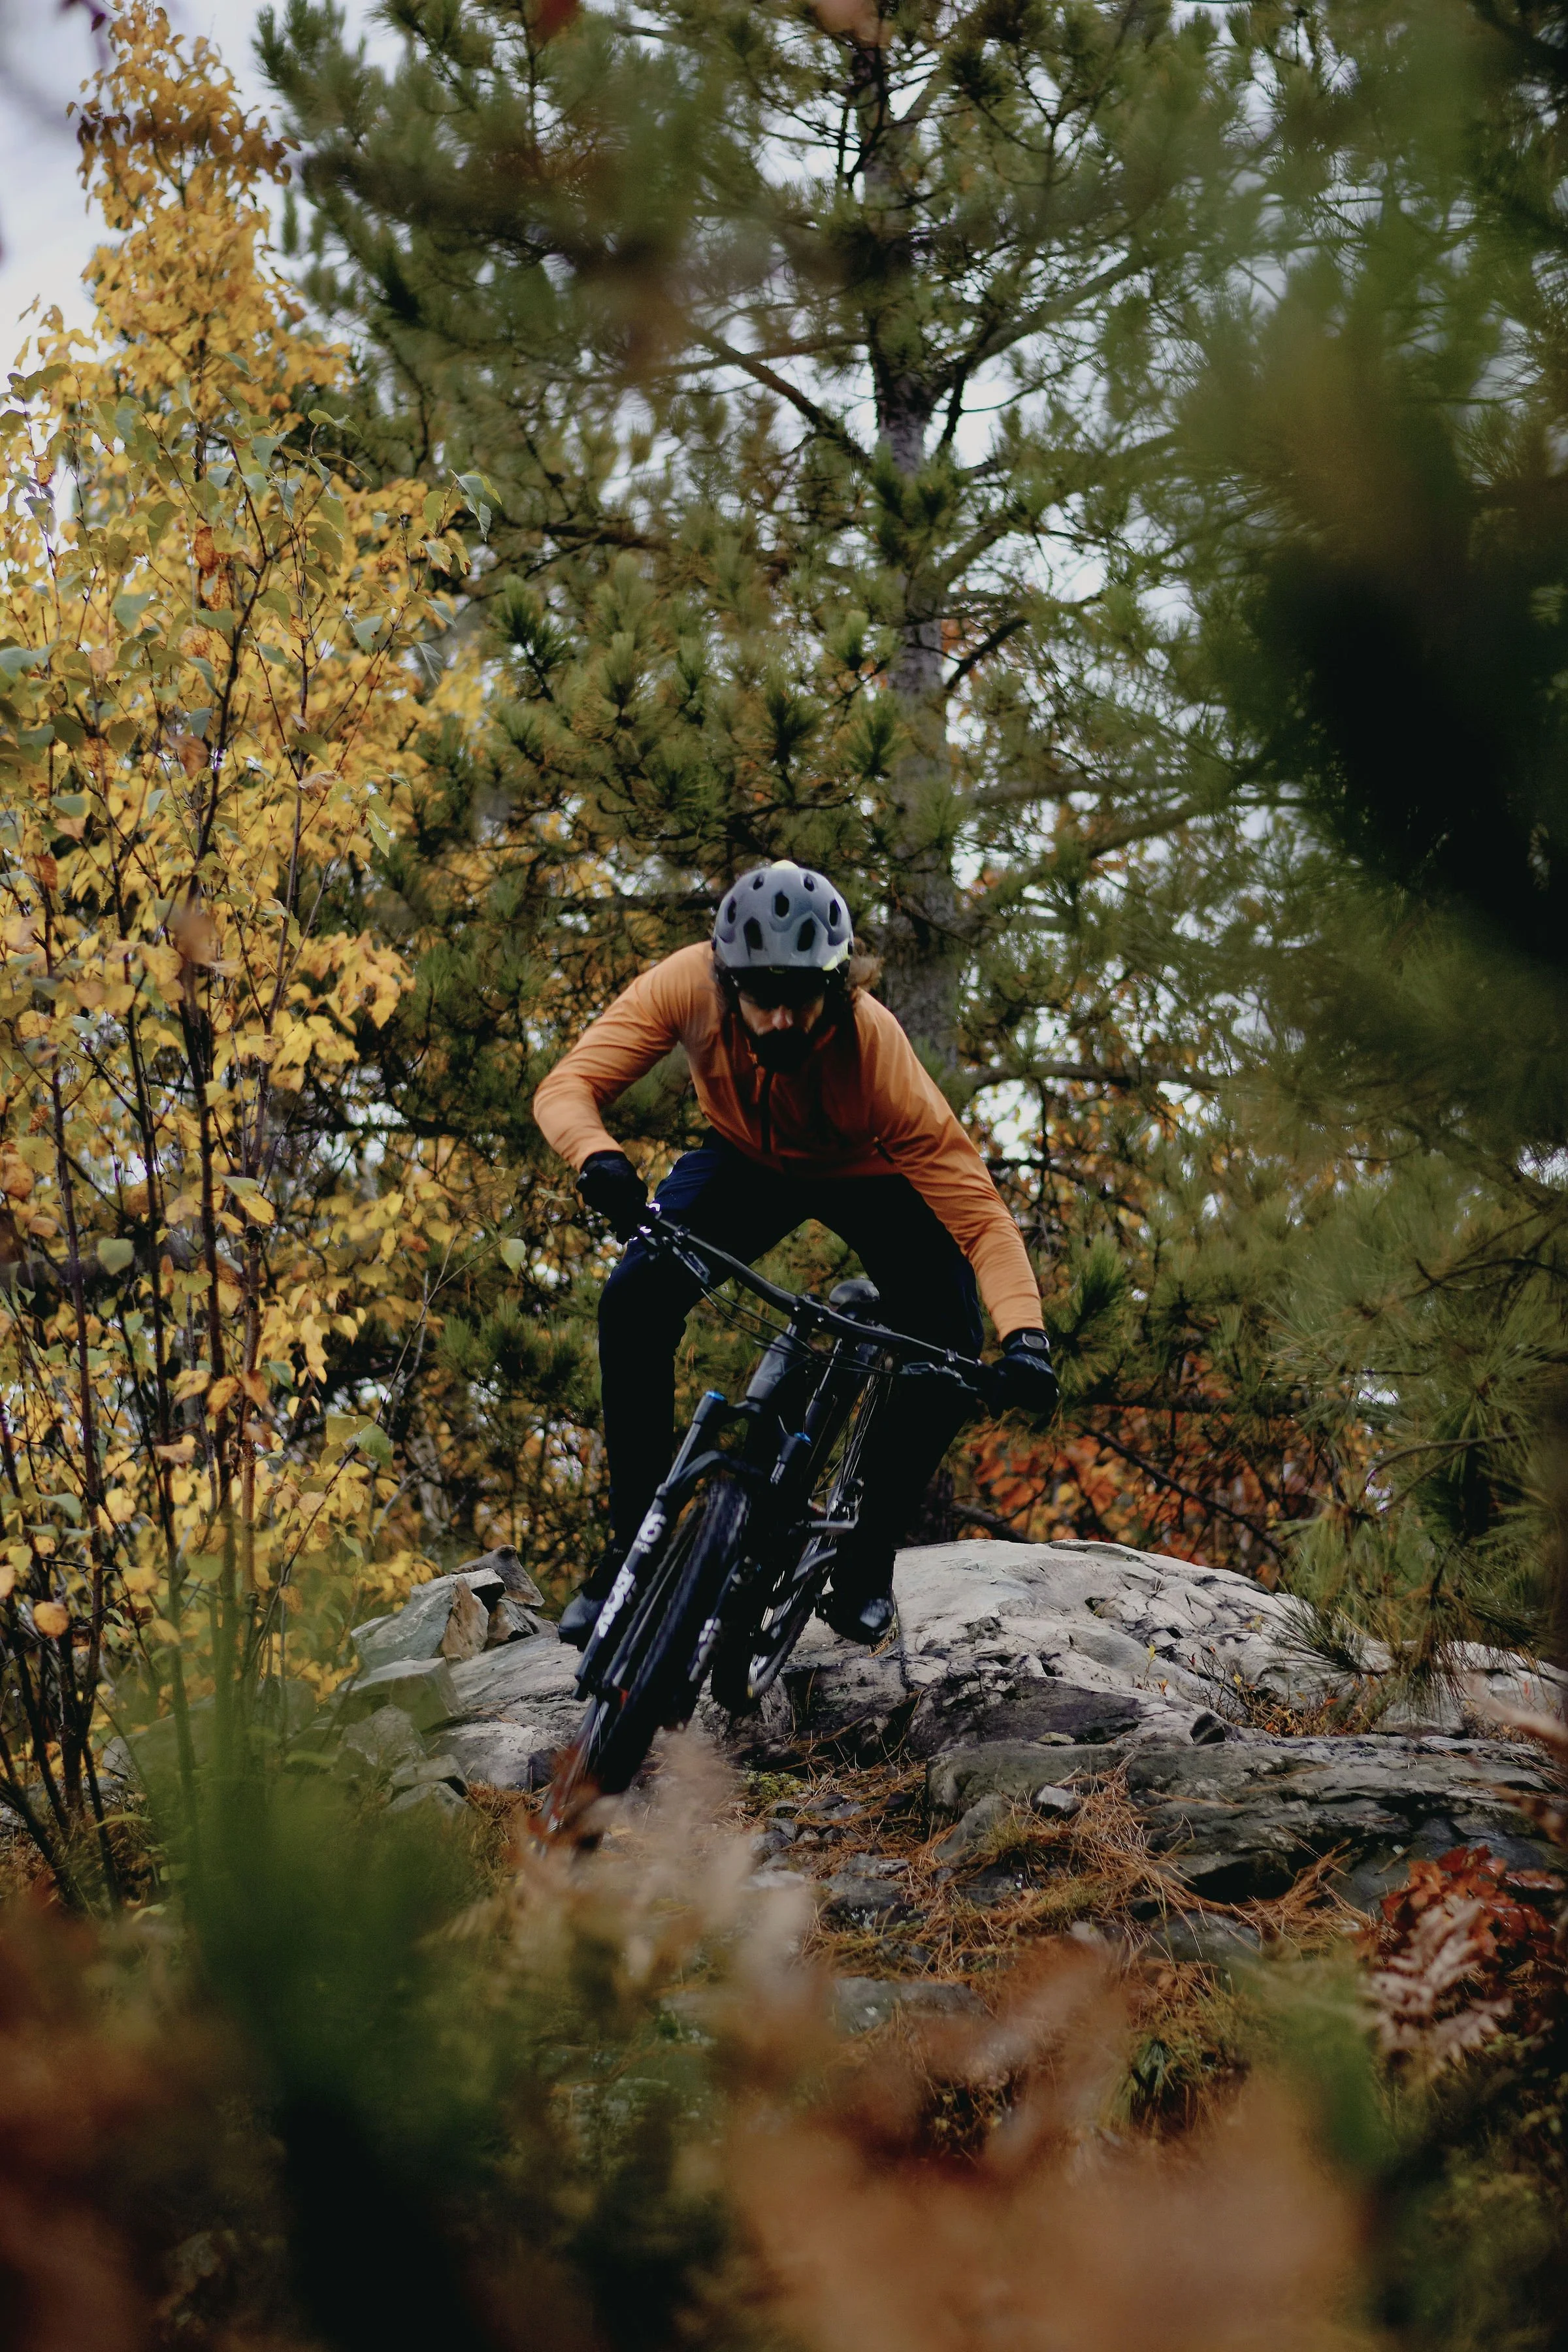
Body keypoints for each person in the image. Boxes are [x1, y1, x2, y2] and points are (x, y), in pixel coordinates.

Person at [532, 858, 1059, 1650]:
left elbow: (979, 1215)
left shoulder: (873, 1047)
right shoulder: (686, 985)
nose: (780, 1018)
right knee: (633, 1301)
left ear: (838, 987)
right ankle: (627, 1555)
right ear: (726, 982)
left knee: (949, 1346)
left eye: (800, 997)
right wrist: (596, 1157)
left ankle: (868, 1556)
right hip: (746, 1164)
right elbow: (567, 1087)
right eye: (760, 997)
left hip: (871, 1176)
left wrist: (1026, 1337)